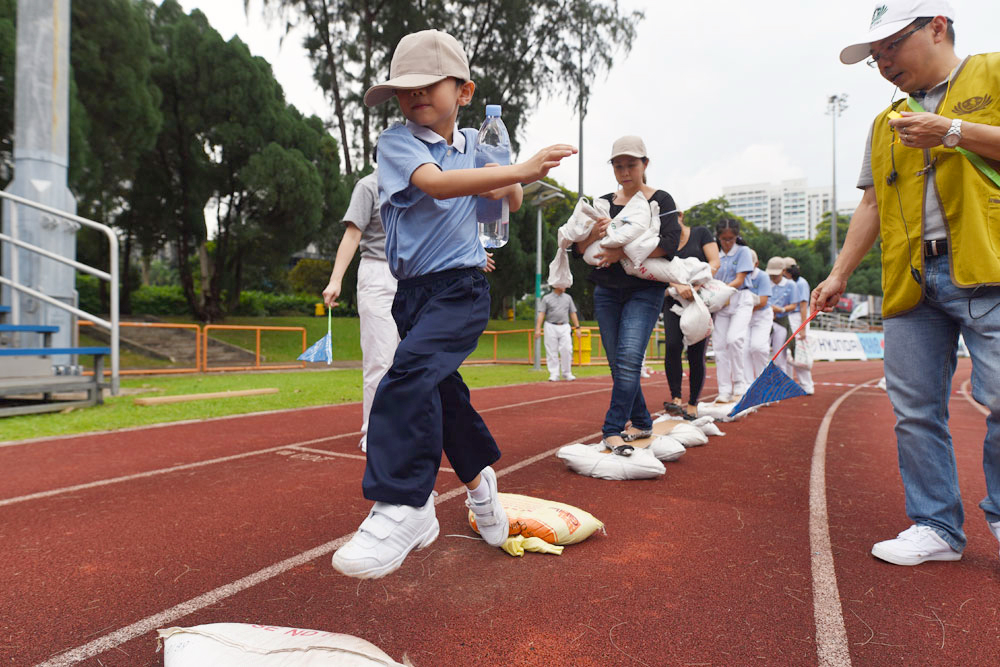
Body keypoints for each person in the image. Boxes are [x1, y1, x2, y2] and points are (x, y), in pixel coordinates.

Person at [331, 29, 576, 578]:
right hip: (410, 294)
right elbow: (437, 185)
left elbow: (507, 201)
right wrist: (518, 170)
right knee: (446, 400)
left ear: (464, 91)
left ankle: (406, 505)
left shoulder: (476, 144)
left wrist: (506, 164)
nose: (414, 95)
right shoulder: (398, 142)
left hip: (460, 289)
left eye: (427, 84)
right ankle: (482, 487)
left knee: (407, 375)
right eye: (403, 88)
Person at [813, 1, 1000, 566]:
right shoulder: (885, 120)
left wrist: (953, 130)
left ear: (937, 26)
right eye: (875, 56)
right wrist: (839, 272)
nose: (883, 62)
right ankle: (936, 526)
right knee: (915, 410)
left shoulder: (993, 73)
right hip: (913, 282)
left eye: (891, 45)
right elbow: (871, 202)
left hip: (989, 270)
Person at [574, 135, 681, 452]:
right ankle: (642, 420)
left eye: (631, 165)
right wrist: (596, 232)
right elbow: (579, 249)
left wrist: (621, 252)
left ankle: (611, 428)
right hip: (606, 290)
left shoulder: (660, 200)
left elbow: (670, 244)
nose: (624, 172)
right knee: (617, 363)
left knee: (629, 360)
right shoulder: (603, 203)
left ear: (645, 164)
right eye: (618, 166)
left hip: (645, 291)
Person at [323, 158, 398, 453]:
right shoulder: (368, 186)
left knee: (410, 360)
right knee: (380, 360)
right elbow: (352, 234)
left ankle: (405, 427)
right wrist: (335, 280)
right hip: (377, 273)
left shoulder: (417, 185)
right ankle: (375, 430)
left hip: (413, 276)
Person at [662, 210, 720, 419]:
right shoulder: (664, 241)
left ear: (680, 215)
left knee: (696, 352)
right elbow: (655, 268)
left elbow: (715, 262)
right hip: (673, 300)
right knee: (672, 345)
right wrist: (677, 285)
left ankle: (693, 402)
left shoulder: (701, 234)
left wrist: (697, 281)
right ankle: (676, 397)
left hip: (699, 300)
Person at [711, 219, 754, 403]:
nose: (728, 242)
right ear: (718, 237)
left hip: (740, 298)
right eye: (724, 239)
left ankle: (739, 383)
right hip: (721, 302)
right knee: (719, 346)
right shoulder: (715, 253)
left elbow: (740, 278)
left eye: (731, 238)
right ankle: (724, 389)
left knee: (734, 339)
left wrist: (723, 290)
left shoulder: (743, 251)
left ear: (736, 236)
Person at [534, 286, 581, 382]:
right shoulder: (547, 298)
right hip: (550, 325)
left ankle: (567, 372)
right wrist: (538, 328)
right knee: (551, 350)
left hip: (564, 325)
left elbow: (573, 312)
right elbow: (542, 313)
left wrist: (577, 327)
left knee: (567, 349)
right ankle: (554, 373)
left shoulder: (568, 298)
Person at [784, 260, 814, 394]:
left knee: (798, 352)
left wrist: (803, 327)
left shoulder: (801, 283)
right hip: (788, 317)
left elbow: (803, 306)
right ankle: (789, 382)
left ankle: (807, 385)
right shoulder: (788, 283)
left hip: (797, 318)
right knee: (787, 353)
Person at [742, 249, 773, 382]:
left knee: (758, 347)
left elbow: (763, 301)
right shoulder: (739, 276)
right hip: (744, 316)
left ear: (756, 264)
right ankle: (748, 386)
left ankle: (764, 381)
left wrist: (743, 307)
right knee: (743, 351)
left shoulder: (762, 276)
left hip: (761, 316)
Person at [766, 256, 796, 378]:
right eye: (771, 274)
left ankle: (780, 384)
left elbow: (794, 305)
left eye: (776, 274)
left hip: (781, 322)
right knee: (760, 351)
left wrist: (781, 309)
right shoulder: (766, 282)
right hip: (765, 321)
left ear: (783, 271)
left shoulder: (791, 285)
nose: (773, 277)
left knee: (779, 356)